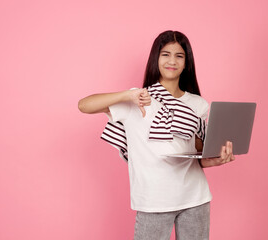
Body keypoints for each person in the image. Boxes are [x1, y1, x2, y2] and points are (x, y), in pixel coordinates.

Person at [78, 30, 235, 240]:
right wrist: (128, 95)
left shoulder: (198, 104)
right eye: (165, 54)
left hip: (196, 198)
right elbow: (84, 105)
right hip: (153, 200)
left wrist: (216, 161)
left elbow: (197, 155)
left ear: (187, 63)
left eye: (179, 56)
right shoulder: (138, 98)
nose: (172, 61)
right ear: (156, 58)